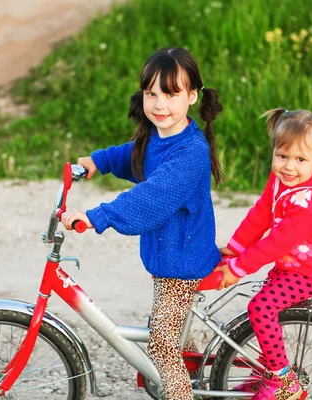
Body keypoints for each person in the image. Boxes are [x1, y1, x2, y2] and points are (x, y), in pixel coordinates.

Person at [60, 47, 223, 400]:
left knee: (162, 348)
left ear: (192, 96)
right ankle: (189, 370)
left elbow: (152, 196)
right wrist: (97, 162)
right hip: (168, 257)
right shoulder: (157, 136)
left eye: (171, 94)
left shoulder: (191, 152)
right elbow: (133, 155)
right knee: (169, 334)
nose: (160, 104)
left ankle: (180, 390)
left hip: (182, 263)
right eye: (152, 94)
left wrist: (96, 217)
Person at [214, 108, 312, 400]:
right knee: (266, 308)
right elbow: (262, 212)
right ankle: (265, 369)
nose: (289, 166)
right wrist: (236, 247)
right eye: (282, 156)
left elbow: (275, 243)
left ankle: (283, 381)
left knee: (261, 308)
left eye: (300, 160)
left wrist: (236, 268)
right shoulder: (282, 180)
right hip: (294, 262)